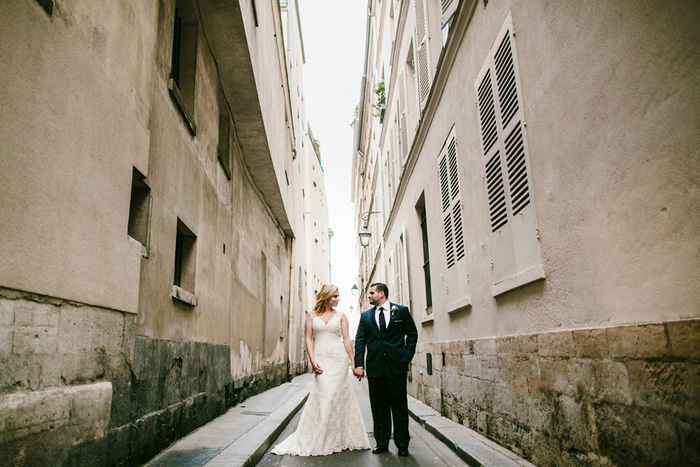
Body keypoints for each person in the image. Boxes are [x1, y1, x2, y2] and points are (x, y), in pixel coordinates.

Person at [272, 284, 370, 456]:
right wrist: (312, 359)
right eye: (335, 296)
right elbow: (309, 339)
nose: (338, 299)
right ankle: (320, 436)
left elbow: (347, 340)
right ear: (326, 297)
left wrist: (354, 362)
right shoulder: (311, 316)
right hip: (321, 359)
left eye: (338, 296)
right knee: (324, 394)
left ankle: (335, 436)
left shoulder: (341, 316)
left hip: (338, 360)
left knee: (335, 396)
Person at [353, 283, 418, 457]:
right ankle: (381, 443)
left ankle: (402, 444)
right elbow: (360, 341)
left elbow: (412, 334)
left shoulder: (401, 311)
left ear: (381, 294)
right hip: (375, 369)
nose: (369, 296)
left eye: (371, 293)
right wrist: (359, 364)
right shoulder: (365, 316)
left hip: (397, 366)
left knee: (399, 407)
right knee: (378, 407)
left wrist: (406, 357)